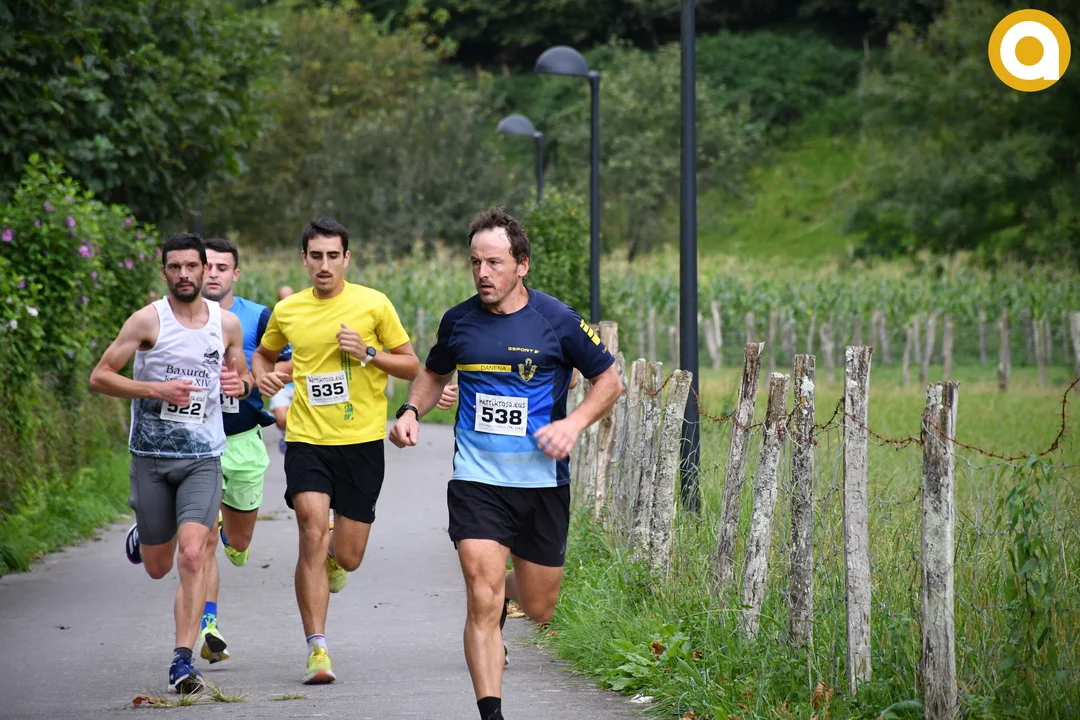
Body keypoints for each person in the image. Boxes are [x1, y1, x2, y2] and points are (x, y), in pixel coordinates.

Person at [389, 207, 623, 720]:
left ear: (522, 265)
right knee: (481, 594)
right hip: (477, 481)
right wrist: (409, 410)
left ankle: (505, 595)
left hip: (541, 483)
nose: (482, 273)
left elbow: (609, 382)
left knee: (539, 607)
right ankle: (491, 712)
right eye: (475, 262)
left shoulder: (557, 321)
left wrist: (573, 424)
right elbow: (433, 373)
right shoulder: (459, 321)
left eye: (494, 262)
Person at [252, 217, 420, 685]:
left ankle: (334, 560)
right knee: (310, 532)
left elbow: (412, 365)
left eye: (332, 256)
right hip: (307, 439)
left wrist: (368, 353)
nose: (324, 265)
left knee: (348, 556)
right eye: (315, 256)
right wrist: (264, 376)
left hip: (361, 442)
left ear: (347, 258)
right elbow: (264, 354)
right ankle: (317, 649)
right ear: (304, 259)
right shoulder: (288, 311)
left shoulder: (374, 304)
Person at [89, 232, 254, 694]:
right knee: (158, 566)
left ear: (205, 270)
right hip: (152, 457)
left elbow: (241, 378)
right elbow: (100, 376)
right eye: (175, 267)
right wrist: (155, 389)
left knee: (194, 553)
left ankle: (182, 662)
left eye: (192, 266)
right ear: (164, 272)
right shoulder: (148, 320)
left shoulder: (226, 325)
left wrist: (239, 385)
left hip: (203, 457)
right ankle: (144, 536)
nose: (184, 274)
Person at [196, 237, 293, 664]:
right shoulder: (175, 318)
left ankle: (229, 534)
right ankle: (209, 627)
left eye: (222, 267)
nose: (213, 273)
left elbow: (288, 361)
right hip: (197, 442)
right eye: (206, 266)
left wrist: (255, 380)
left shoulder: (258, 316)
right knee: (200, 543)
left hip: (243, 440)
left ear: (235, 273)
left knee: (237, 544)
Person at [269, 285, 296, 455]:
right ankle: (286, 435)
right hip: (281, 383)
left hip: (303, 381)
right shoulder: (272, 324)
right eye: (283, 299)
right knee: (281, 419)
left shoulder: (307, 320)